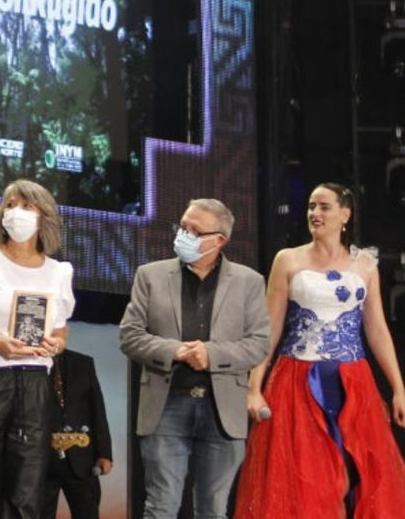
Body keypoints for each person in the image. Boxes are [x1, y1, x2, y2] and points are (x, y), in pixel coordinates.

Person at [235, 183, 405, 518]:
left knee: (350, 476)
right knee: (306, 478)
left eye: (324, 206)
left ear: (345, 214)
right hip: (296, 380)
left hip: (352, 383)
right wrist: (254, 388)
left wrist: (398, 389)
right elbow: (269, 329)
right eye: (312, 206)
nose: (315, 213)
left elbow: (377, 330)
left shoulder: (366, 265)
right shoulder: (287, 260)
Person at [119, 198, 270, 519]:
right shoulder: (150, 275)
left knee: (213, 509)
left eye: (195, 231)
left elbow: (258, 344)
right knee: (161, 506)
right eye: (182, 227)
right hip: (166, 405)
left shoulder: (249, 283)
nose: (184, 235)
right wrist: (172, 350)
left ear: (220, 240)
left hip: (222, 411)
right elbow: (130, 335)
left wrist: (212, 355)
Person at [0, 179, 74, 518]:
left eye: (26, 206)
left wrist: (57, 344)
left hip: (36, 387)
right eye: (10, 205)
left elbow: (60, 329)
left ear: (44, 217)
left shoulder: (59, 272)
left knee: (27, 496)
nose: (15, 213)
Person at [40, 348, 113, 519]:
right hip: (40, 459)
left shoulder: (83, 362)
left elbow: (97, 410)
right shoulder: (29, 364)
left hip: (82, 460)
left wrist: (104, 453)